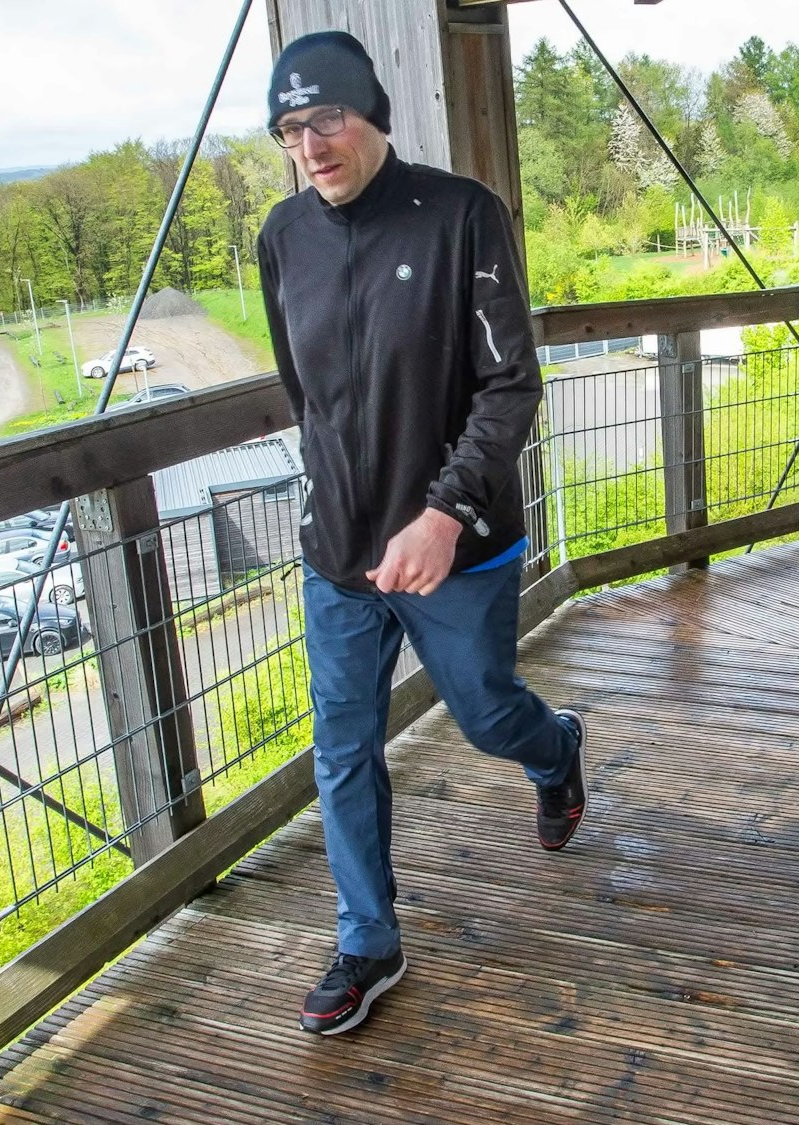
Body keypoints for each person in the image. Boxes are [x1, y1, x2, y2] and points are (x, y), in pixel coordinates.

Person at [257, 31, 587, 1037]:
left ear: (370, 117)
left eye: (325, 120)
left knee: (485, 714)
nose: (308, 145)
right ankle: (367, 940)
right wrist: (335, 507)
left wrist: (442, 513)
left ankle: (554, 752)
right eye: (287, 129)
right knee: (342, 746)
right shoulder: (281, 237)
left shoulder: (459, 217)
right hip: (339, 557)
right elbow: (299, 390)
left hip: (457, 544)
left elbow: (508, 384)